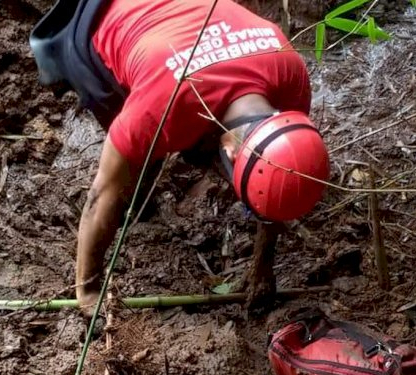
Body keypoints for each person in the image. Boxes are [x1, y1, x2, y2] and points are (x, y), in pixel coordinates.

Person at [30, 0, 330, 315]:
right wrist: (89, 292)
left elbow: (279, 170)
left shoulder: (291, 74)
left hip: (174, 25)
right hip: (96, 22)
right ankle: (140, 198)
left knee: (183, 141)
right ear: (227, 151)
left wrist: (263, 267)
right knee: (130, 169)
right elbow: (101, 192)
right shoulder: (156, 111)